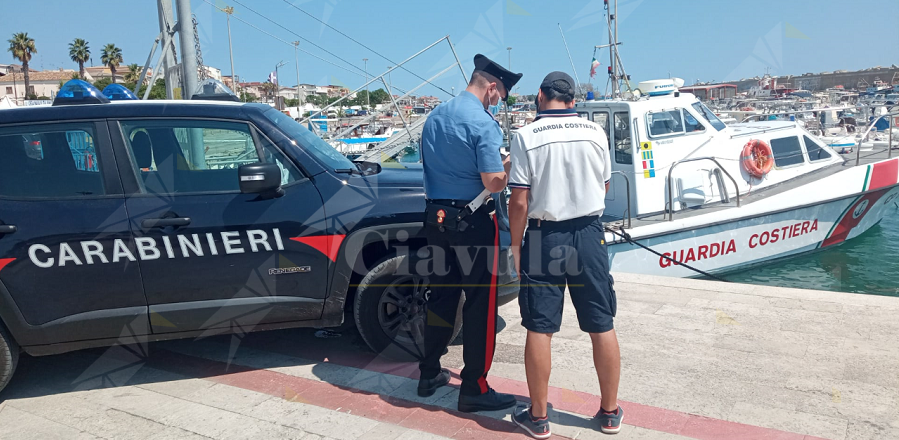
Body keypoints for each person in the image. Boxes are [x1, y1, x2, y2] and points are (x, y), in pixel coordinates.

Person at [508, 71, 622, 437]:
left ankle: (538, 418)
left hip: (545, 236)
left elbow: (520, 200)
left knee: (540, 326)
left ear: (541, 96)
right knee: (602, 322)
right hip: (589, 233)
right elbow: (604, 184)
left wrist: (515, 244)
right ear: (572, 100)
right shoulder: (595, 132)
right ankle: (608, 412)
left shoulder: (526, 136)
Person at [417, 54, 522, 413]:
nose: (499, 101)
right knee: (480, 305)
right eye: (501, 94)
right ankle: (474, 387)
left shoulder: (435, 116)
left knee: (441, 298)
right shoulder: (483, 123)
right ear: (491, 85)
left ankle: (429, 372)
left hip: (436, 220)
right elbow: (492, 182)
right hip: (473, 223)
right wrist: (509, 164)